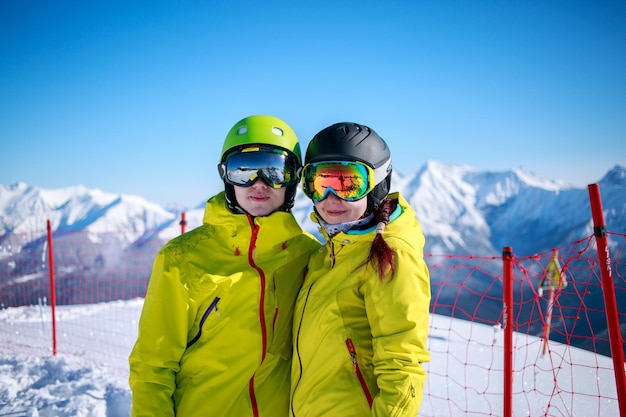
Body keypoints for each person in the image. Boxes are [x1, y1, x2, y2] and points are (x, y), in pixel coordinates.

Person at [129, 115, 321, 417]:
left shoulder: (310, 256)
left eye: (274, 170)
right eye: (243, 170)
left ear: (293, 179)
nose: (259, 183)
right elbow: (153, 365)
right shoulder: (182, 258)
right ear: (226, 176)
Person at [290, 122, 431, 417]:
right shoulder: (327, 254)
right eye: (319, 183)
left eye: (348, 184)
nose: (331, 197)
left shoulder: (390, 254)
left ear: (378, 185)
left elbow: (402, 366)